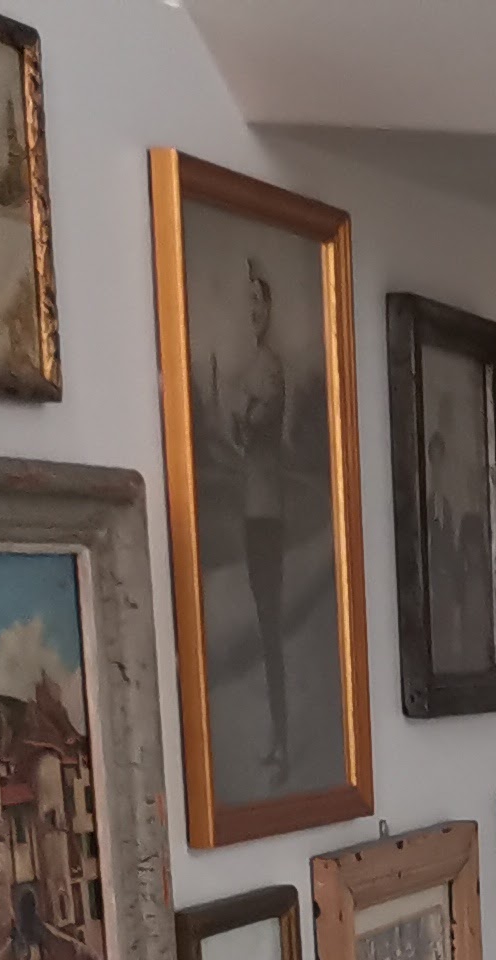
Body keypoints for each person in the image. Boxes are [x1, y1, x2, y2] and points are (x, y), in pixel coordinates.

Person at [218, 259, 299, 779]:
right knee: (265, 625)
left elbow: (254, 421)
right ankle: (277, 736)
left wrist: (242, 411)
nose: (252, 309)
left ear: (269, 307)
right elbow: (235, 429)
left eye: (258, 300)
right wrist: (240, 416)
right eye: (246, 300)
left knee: (271, 629)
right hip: (254, 511)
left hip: (268, 513)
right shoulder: (251, 367)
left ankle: (283, 740)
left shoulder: (269, 367)